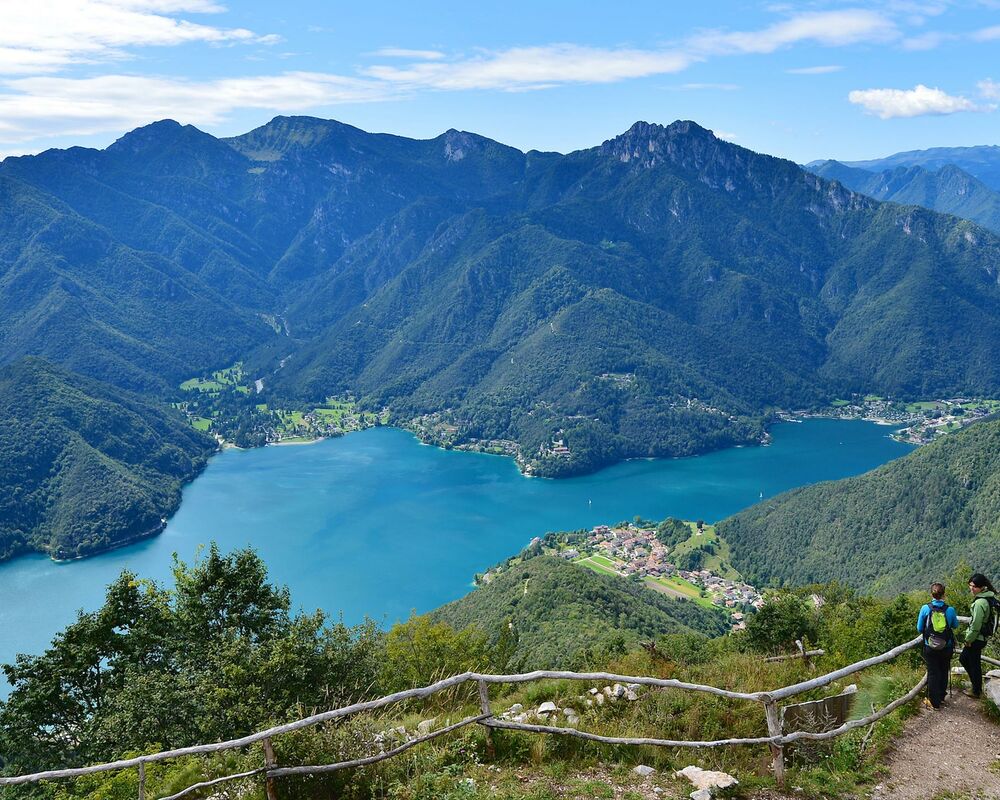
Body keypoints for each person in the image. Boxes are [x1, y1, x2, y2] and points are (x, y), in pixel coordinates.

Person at [916, 582, 959, 708]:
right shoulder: (950, 610)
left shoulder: (925, 608)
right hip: (946, 646)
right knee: (944, 670)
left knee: (933, 672)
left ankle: (933, 702)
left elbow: (919, 628)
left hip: (930, 646)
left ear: (931, 594)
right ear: (944, 594)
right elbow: (955, 625)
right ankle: (941, 697)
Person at [960, 573, 999, 698]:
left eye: (974, 587)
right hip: (981, 637)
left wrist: (968, 639)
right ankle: (976, 687)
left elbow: (976, 624)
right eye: (970, 586)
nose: (972, 589)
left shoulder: (979, 603)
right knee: (971, 661)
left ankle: (976, 690)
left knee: (968, 661)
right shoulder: (988, 598)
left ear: (982, 587)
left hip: (976, 638)